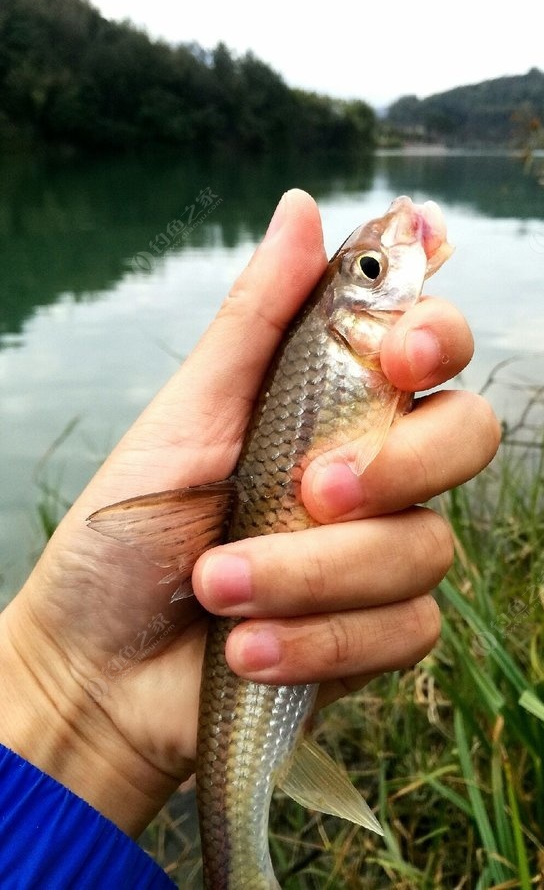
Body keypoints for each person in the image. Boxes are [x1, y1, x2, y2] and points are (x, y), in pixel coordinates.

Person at [0, 189, 500, 886]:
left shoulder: (365, 348)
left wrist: (72, 701)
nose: (388, 270)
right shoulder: (348, 348)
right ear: (350, 311)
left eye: (370, 270)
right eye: (372, 272)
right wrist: (60, 689)